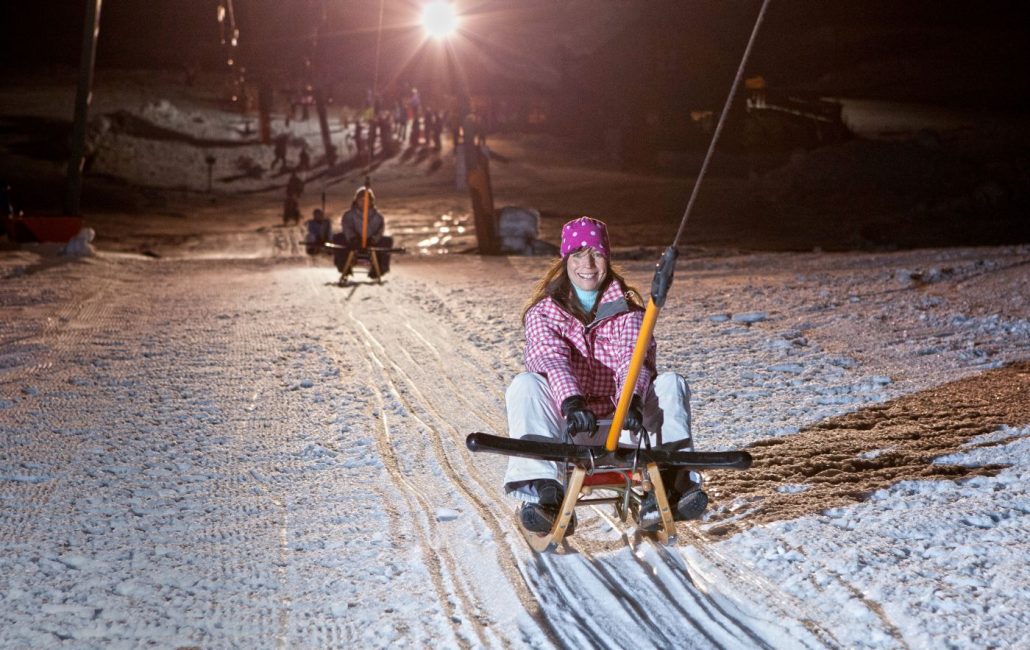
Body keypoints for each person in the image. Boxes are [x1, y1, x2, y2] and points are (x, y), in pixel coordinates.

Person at [502, 216, 707, 534]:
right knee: (525, 385)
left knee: (670, 383)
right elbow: (550, 359)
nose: (588, 263)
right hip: (567, 428)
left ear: (607, 258)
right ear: (565, 260)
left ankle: (672, 484)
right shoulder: (543, 312)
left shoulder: (630, 312)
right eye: (578, 254)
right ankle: (546, 497)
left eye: (596, 253)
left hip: (625, 425)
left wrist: (632, 402)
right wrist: (572, 401)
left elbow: (633, 362)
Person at [332, 187, 393, 279]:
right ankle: (344, 267)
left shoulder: (378, 217)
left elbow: (380, 230)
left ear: (371, 201)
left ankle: (379, 270)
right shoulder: (349, 215)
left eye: (367, 200)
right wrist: (353, 238)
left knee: (387, 241)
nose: (364, 202)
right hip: (353, 242)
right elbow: (347, 228)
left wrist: (373, 239)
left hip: (372, 242)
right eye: (361, 200)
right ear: (356, 200)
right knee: (338, 238)